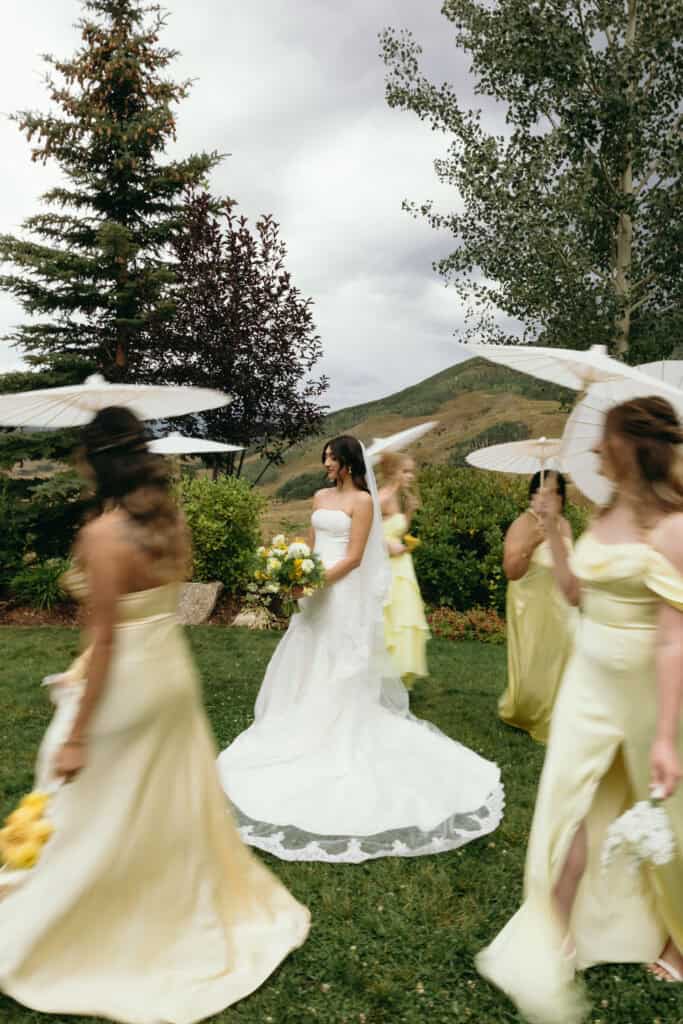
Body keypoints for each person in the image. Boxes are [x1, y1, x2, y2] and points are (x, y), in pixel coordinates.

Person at [0, 407, 309, 1024]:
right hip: (170, 674)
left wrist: (78, 734)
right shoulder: (167, 521)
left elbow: (106, 641)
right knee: (160, 801)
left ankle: (63, 920)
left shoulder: (102, 535)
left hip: (128, 685)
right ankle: (160, 901)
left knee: (81, 794)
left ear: (96, 462)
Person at [476, 396, 683, 1024]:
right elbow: (573, 593)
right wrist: (551, 531)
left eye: (604, 439)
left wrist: (665, 737)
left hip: (648, 688)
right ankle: (556, 928)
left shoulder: (673, 528)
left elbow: (674, 637)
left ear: (630, 447)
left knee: (668, 812)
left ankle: (678, 937)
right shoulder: (604, 513)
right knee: (570, 801)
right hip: (587, 684)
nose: (592, 449)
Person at [218, 435, 503, 863]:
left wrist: (318, 580)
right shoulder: (320, 497)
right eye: (324, 460)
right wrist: (295, 571)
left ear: (348, 464)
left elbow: (354, 557)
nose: (326, 466)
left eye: (331, 459)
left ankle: (334, 723)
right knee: (309, 650)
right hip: (315, 589)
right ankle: (302, 716)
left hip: (342, 591)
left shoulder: (364, 502)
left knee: (340, 657)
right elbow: (312, 541)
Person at [498, 470, 576, 742]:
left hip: (562, 607)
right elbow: (511, 571)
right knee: (533, 664)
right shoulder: (522, 524)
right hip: (530, 606)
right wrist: (532, 542)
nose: (548, 499)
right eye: (542, 493)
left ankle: (560, 715)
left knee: (562, 661)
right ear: (532, 496)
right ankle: (525, 711)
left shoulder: (564, 525)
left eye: (554, 494)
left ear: (561, 499)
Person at [378, 452, 429, 687]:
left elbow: (398, 529)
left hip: (402, 566)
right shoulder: (383, 497)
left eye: (411, 472)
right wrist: (387, 545)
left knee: (404, 616)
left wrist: (409, 513)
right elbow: (366, 531)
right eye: (405, 471)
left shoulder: (399, 498)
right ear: (392, 472)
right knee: (391, 618)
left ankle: (399, 676)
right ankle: (384, 674)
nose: (410, 476)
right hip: (387, 565)